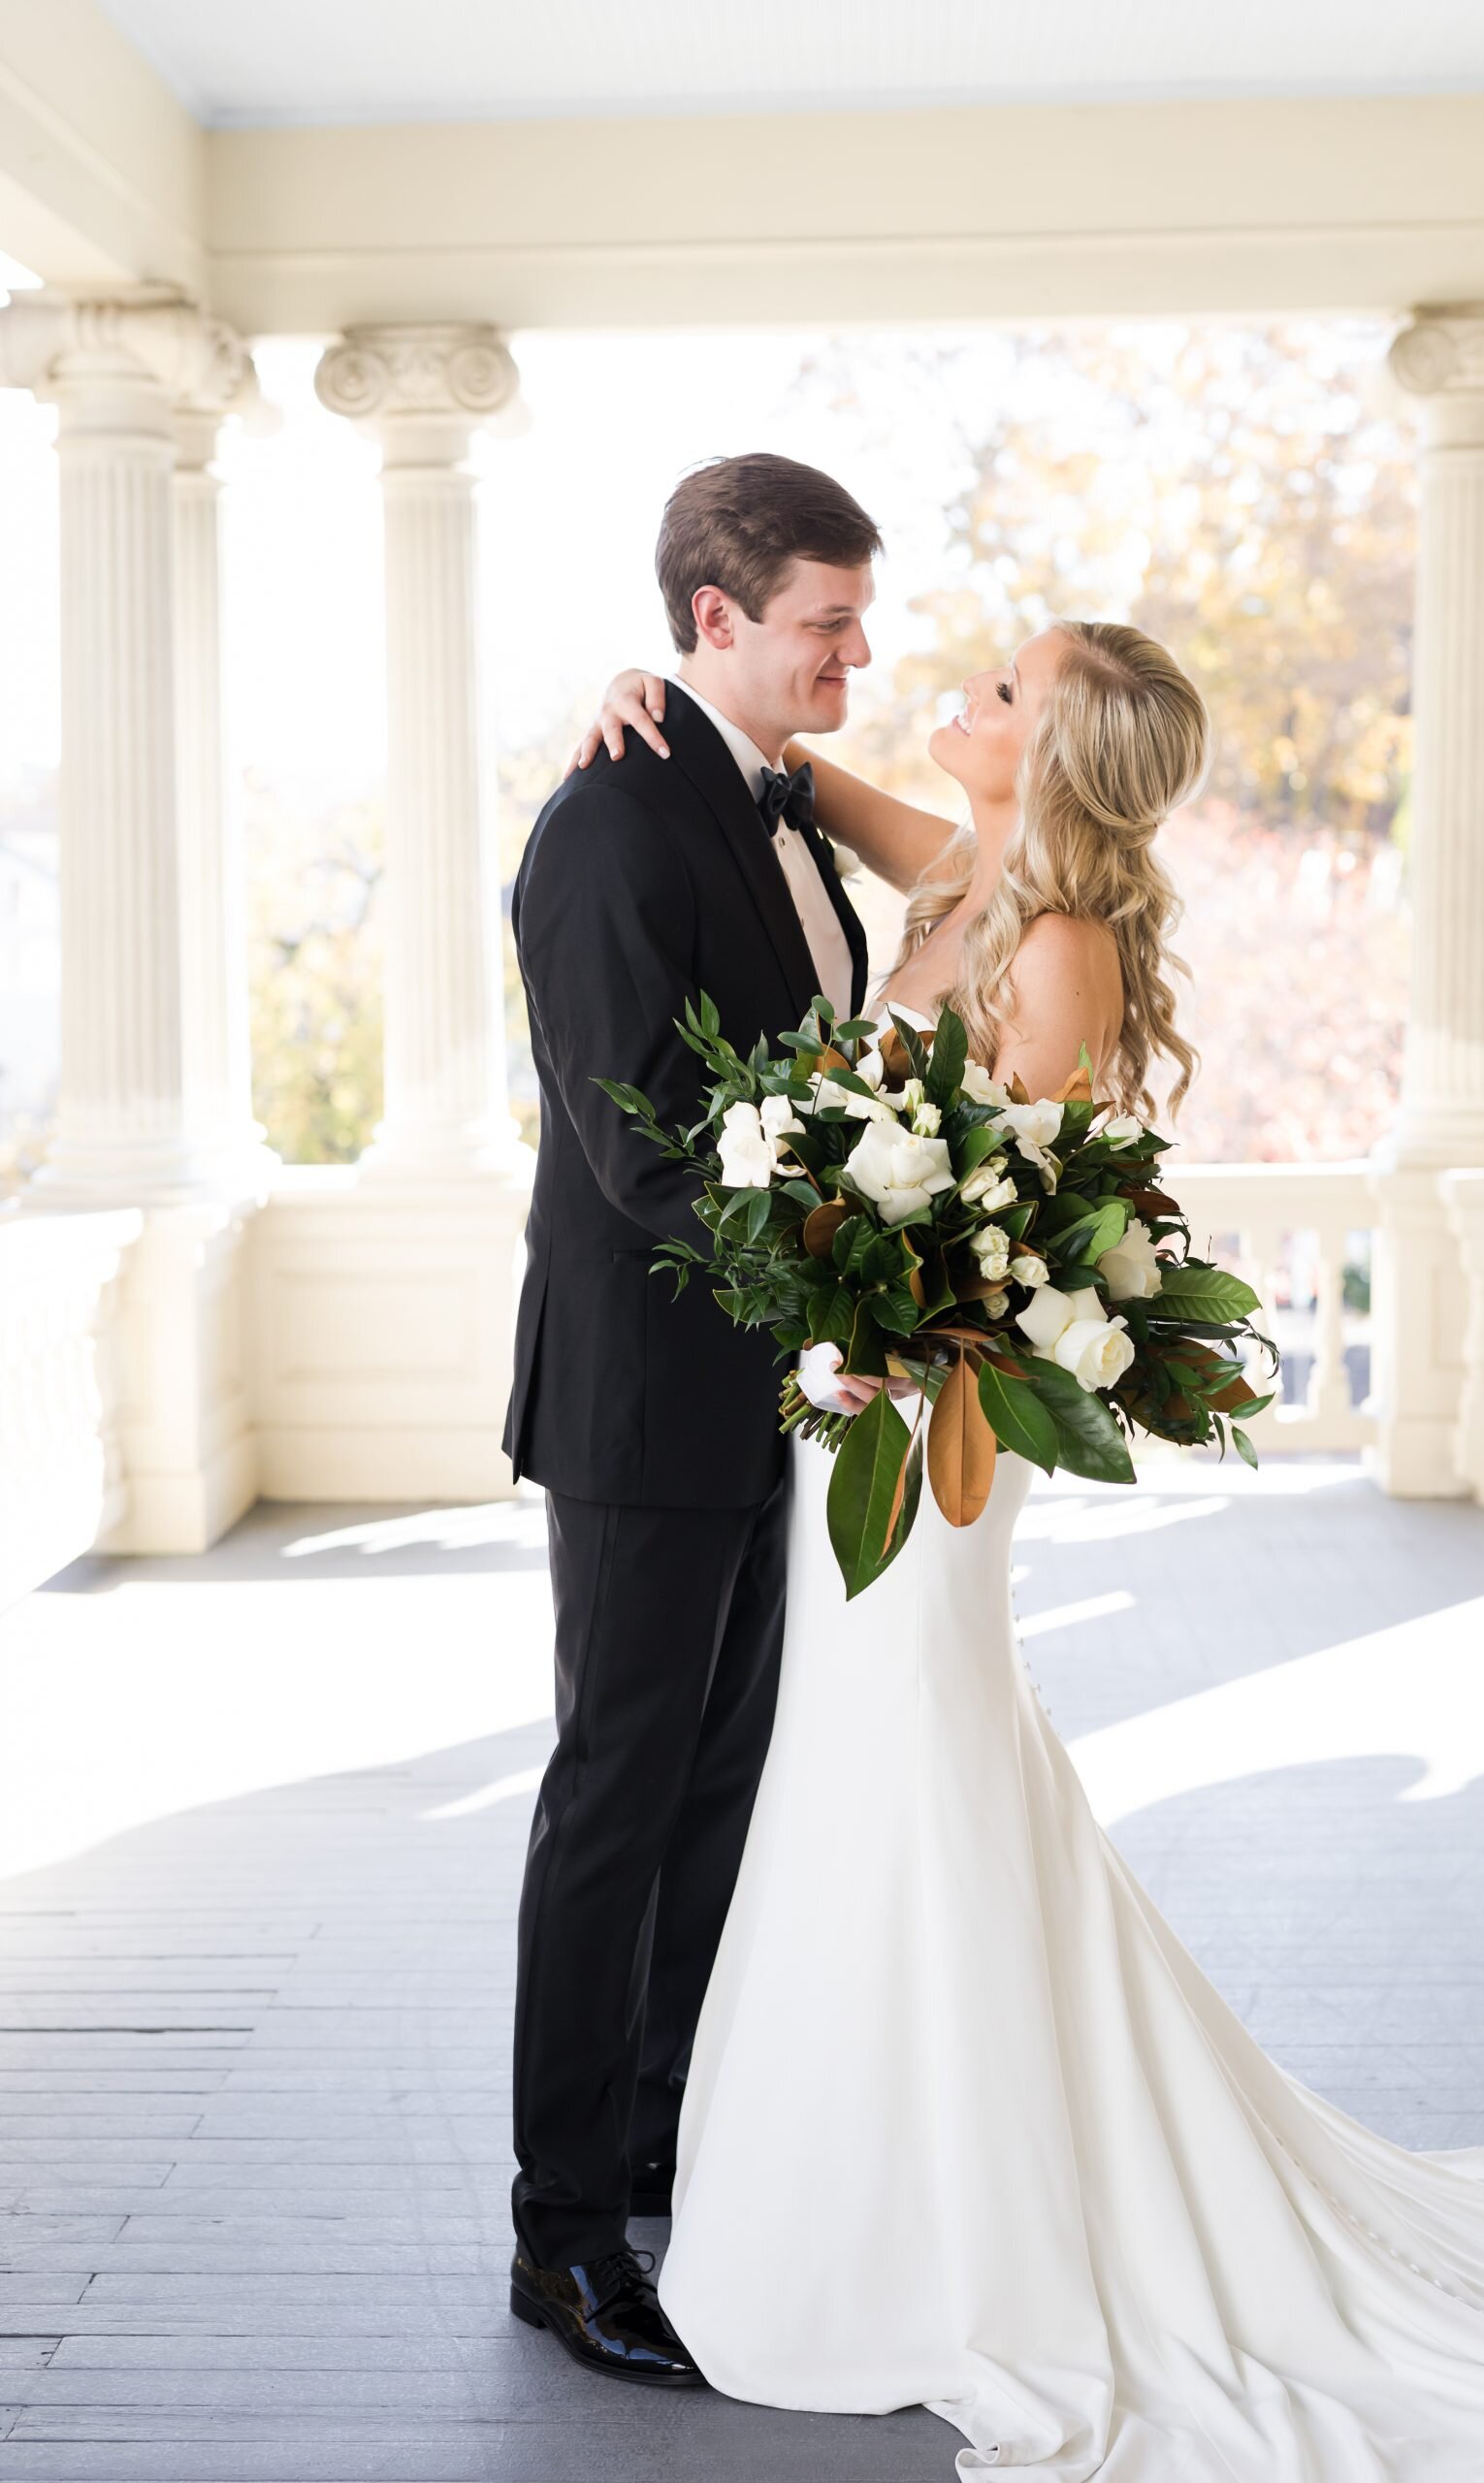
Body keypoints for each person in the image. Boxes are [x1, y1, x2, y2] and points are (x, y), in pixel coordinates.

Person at [569, 626, 1484, 2475]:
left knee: (911, 1767)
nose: (966, 687)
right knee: (854, 1774)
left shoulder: (1054, 942)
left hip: (930, 1431)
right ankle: (857, 2170)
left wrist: (858, 1318)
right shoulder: (957, 867)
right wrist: (644, 706)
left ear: (1053, 751)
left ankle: (947, 2224)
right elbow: (780, 778)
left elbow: (993, 1232)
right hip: (860, 1413)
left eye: (1007, 689)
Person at [500, 451, 881, 2384]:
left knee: (714, 1785)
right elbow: (638, 1142)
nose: (858, 653)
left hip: (757, 1396)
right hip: (646, 1394)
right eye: (824, 622)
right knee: (611, 1799)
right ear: (714, 619)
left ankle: (660, 2131)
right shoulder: (604, 826)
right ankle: (560, 2234)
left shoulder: (766, 803)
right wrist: (846, 1285)